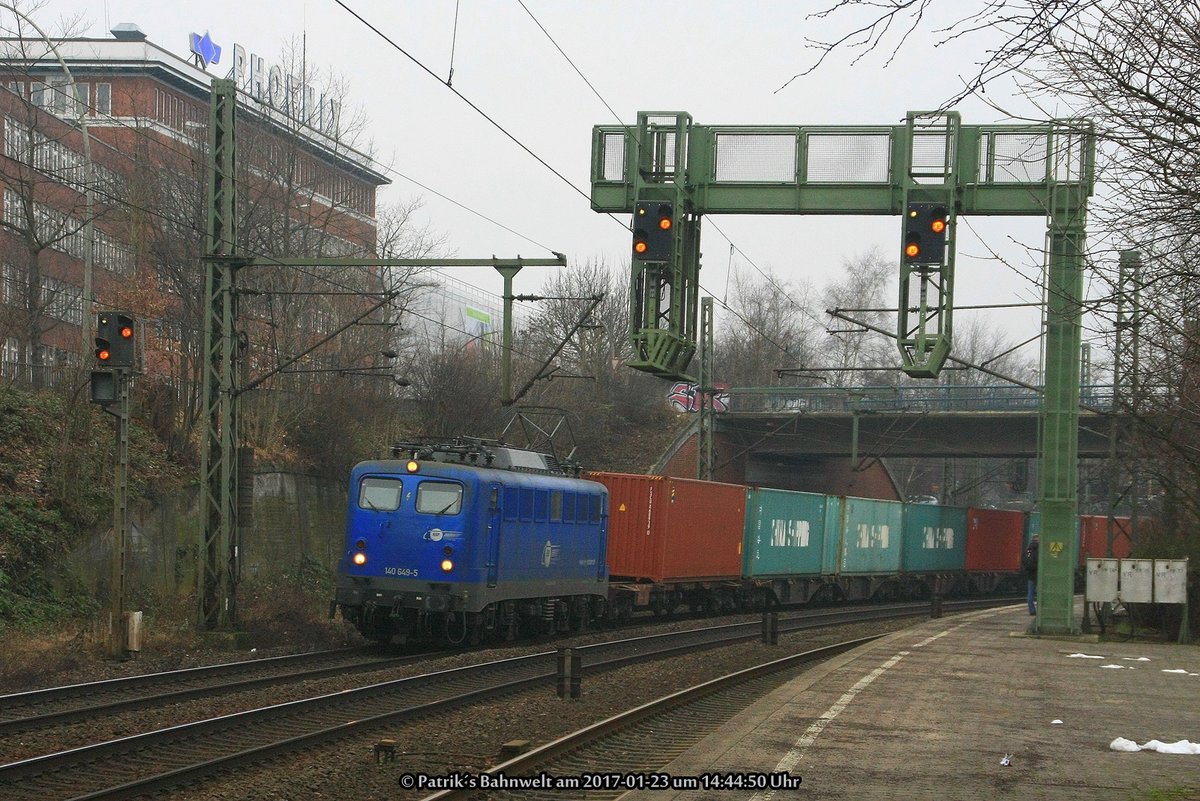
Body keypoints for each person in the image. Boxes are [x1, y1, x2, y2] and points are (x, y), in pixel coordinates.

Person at [1022, 535, 1039, 615]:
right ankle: (1041, 610)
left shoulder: (1028, 550)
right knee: (1040, 593)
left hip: (1030, 575)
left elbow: (1025, 560)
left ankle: (1032, 610)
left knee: (1030, 594)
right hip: (1038, 574)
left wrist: (1026, 569)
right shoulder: (1040, 549)